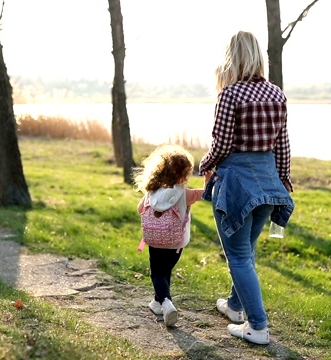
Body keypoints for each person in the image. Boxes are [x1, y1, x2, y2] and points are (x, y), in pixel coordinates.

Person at [199, 31, 295, 345]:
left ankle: (258, 327)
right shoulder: (276, 94)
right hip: (268, 182)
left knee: (239, 256)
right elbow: (283, 147)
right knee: (246, 250)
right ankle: (235, 307)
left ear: (231, 58)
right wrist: (283, 182)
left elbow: (222, 144)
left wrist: (205, 163)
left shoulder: (229, 95)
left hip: (237, 183)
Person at [134, 144, 205, 327]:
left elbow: (140, 209)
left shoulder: (151, 191)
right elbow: (206, 194)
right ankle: (163, 302)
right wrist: (209, 180)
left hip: (154, 241)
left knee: (158, 274)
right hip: (174, 243)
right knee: (165, 272)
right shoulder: (185, 194)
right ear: (184, 174)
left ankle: (162, 302)